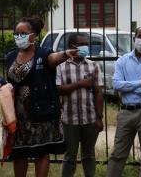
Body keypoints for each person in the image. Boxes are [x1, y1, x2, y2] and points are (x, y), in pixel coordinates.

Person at [5, 16, 78, 177]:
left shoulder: (44, 54)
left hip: (40, 112)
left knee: (41, 152)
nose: (19, 37)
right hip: (17, 114)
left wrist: (66, 53)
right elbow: (9, 81)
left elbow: (53, 60)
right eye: (16, 34)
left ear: (34, 35)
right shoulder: (10, 56)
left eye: (23, 33)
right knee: (19, 152)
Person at [107, 27, 141, 177]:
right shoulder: (122, 60)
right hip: (125, 111)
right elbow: (116, 85)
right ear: (134, 38)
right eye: (140, 36)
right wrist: (140, 82)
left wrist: (128, 86)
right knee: (117, 154)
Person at [56, 33, 104, 177]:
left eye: (86, 44)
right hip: (69, 119)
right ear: (72, 47)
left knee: (89, 155)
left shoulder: (93, 65)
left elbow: (98, 93)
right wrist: (80, 84)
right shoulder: (61, 66)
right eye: (82, 44)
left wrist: (99, 117)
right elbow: (58, 90)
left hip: (90, 118)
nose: (86, 47)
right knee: (70, 156)